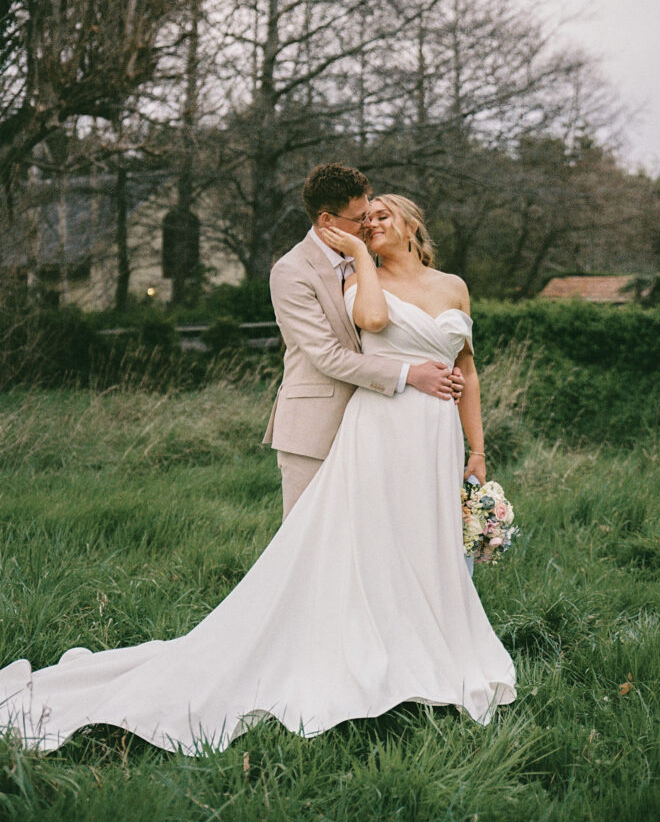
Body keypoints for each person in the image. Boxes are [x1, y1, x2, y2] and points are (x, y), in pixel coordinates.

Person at [0, 193, 516, 755]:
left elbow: (466, 367)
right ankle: (371, 652)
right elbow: (371, 321)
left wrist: (477, 449)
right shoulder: (358, 282)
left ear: (413, 223)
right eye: (363, 221)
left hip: (437, 434)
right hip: (384, 428)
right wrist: (364, 262)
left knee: (426, 540)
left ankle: (430, 646)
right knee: (374, 539)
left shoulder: (454, 286)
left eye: (380, 216)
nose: (369, 224)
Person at [265, 162, 465, 518]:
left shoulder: (369, 260)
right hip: (315, 428)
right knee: (309, 540)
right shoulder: (291, 272)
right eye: (359, 218)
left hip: (376, 427)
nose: (368, 224)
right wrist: (410, 373)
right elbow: (327, 356)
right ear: (327, 220)